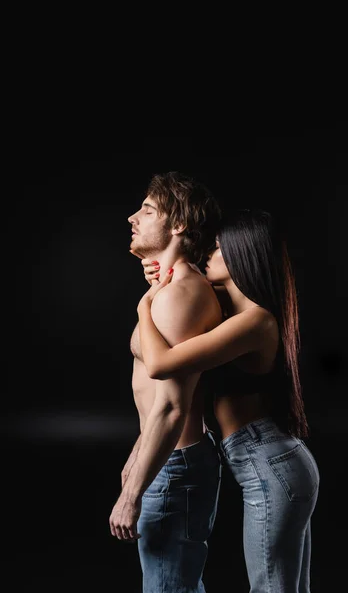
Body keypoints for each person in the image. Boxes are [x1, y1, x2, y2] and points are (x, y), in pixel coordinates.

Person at [137, 208, 320, 593]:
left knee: (271, 588)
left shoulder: (254, 321)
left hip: (268, 464)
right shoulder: (231, 307)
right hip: (276, 461)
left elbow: (160, 363)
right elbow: (189, 288)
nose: (208, 254)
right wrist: (160, 277)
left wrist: (144, 306)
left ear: (241, 256)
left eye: (218, 248)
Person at [109, 171, 223, 593]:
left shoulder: (179, 294)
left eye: (148, 209)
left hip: (175, 467)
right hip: (168, 461)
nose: (132, 217)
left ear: (178, 225)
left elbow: (175, 404)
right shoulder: (169, 289)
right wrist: (139, 453)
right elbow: (166, 395)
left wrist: (131, 494)